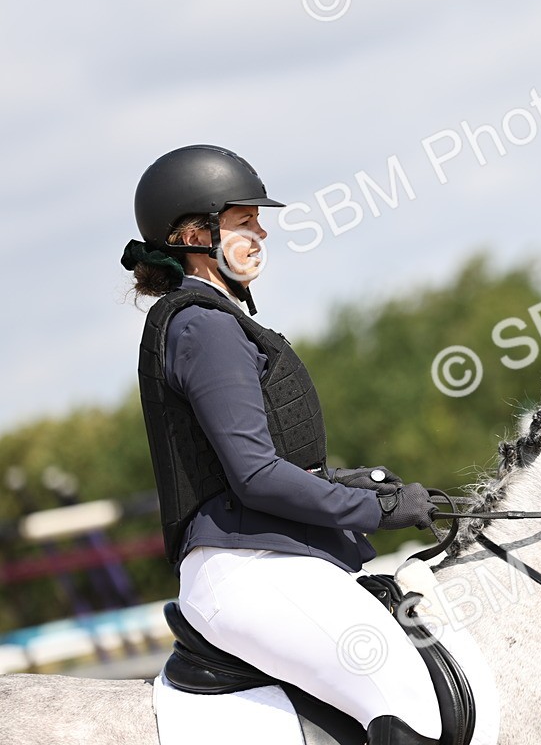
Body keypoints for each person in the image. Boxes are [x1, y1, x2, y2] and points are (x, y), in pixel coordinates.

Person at [121, 144, 444, 743]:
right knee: (406, 694)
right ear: (196, 233)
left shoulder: (217, 318)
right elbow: (256, 477)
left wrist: (349, 483)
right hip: (245, 569)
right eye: (245, 220)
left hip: (268, 560)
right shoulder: (203, 326)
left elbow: (265, 466)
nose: (261, 231)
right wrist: (378, 510)